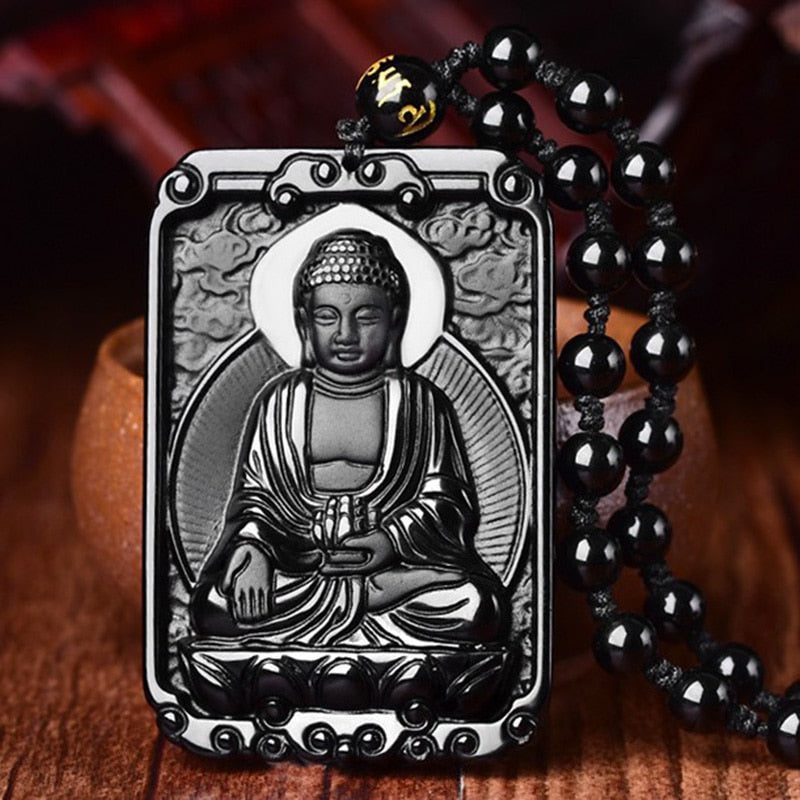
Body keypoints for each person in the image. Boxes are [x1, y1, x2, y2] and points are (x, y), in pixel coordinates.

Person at [190, 229, 508, 647]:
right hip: (302, 571)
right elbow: (257, 500)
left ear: (395, 320)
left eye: (366, 317)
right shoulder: (280, 402)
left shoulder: (419, 402)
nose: (346, 334)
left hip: (392, 573)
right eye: (327, 317)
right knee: (212, 605)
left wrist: (391, 540)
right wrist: (253, 550)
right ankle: (365, 606)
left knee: (476, 606)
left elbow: (446, 500)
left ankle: (370, 599)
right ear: (304, 322)